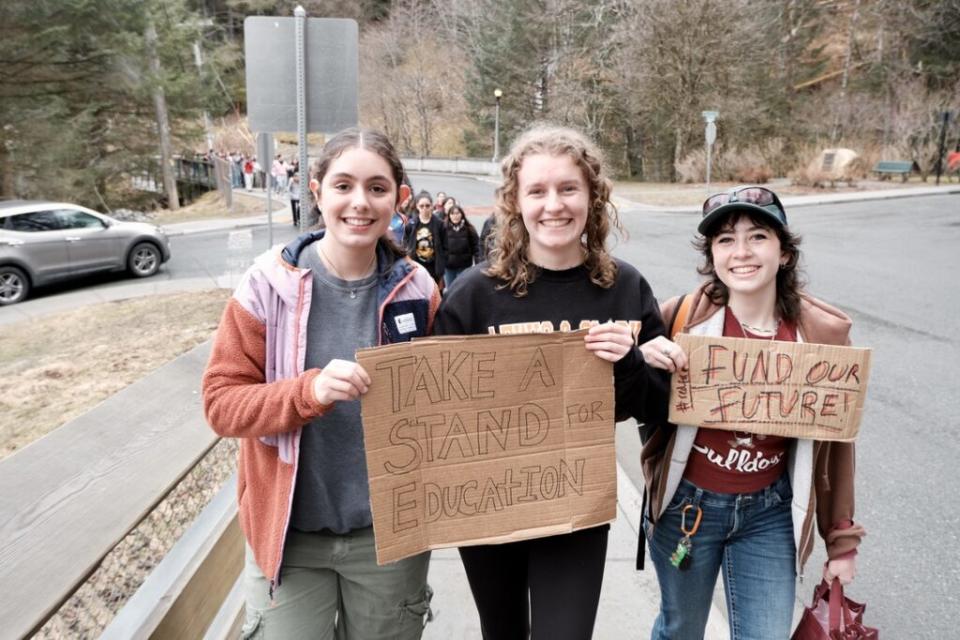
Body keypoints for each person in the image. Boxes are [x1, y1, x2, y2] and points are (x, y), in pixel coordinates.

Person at [202, 127, 440, 640]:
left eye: (377, 188)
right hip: (290, 541)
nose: (360, 202)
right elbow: (221, 403)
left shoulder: (419, 289)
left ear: (399, 198)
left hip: (389, 540)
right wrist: (305, 393)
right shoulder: (266, 286)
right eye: (343, 186)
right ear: (316, 190)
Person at [434, 124, 670, 640]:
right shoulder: (474, 295)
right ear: (515, 203)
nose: (553, 205)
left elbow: (657, 405)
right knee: (503, 633)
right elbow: (434, 412)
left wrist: (629, 362)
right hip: (488, 506)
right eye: (536, 191)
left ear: (592, 197)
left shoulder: (623, 287)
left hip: (575, 507)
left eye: (568, 188)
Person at [638, 185, 865, 640]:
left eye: (757, 236)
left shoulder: (818, 337)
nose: (741, 252)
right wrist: (642, 358)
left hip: (769, 513)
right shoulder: (678, 318)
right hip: (688, 508)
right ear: (713, 256)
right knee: (680, 629)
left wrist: (840, 541)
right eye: (725, 240)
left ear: (784, 252)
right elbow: (621, 389)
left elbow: (837, 442)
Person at [404, 190, 446, 285]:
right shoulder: (411, 224)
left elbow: (445, 246)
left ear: (432, 206)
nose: (424, 208)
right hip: (417, 266)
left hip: (434, 267)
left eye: (427, 205)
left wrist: (442, 265)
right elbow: (405, 244)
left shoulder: (439, 224)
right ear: (417, 206)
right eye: (421, 206)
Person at [442, 203, 480, 288]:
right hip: (449, 266)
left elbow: (476, 247)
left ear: (462, 215)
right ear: (449, 216)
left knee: (462, 288)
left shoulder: (469, 229)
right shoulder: (444, 229)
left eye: (457, 213)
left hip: (464, 266)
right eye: (452, 213)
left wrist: (478, 262)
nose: (455, 216)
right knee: (450, 289)